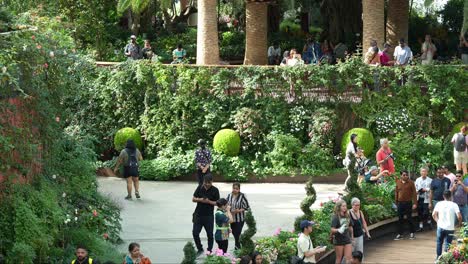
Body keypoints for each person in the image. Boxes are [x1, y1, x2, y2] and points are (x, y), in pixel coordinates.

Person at [192, 174, 220, 256]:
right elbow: (193, 199)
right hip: (198, 214)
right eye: (205, 182)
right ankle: (199, 248)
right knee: (195, 233)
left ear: (212, 182)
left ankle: (209, 250)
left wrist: (209, 202)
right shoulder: (200, 187)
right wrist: (200, 199)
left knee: (210, 234)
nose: (207, 184)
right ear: (203, 181)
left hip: (208, 216)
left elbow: (218, 203)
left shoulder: (215, 190)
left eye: (209, 183)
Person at [432, 190, 462, 259]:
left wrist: (438, 222)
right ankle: (446, 258)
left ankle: (438, 257)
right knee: (448, 244)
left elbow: (434, 214)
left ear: (443, 196)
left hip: (440, 227)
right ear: (451, 196)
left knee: (439, 242)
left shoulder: (439, 203)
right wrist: (459, 224)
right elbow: (459, 216)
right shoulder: (454, 205)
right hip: (450, 228)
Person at [394, 170, 417, 240]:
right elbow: (396, 193)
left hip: (408, 203)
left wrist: (415, 203)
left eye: (406, 175)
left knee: (409, 218)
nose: (405, 176)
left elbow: (414, 193)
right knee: (400, 219)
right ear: (401, 176)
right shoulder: (398, 182)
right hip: (400, 203)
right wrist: (396, 203)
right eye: (404, 175)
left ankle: (412, 233)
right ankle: (400, 234)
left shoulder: (411, 183)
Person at [226, 183, 250, 250]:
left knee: (237, 233)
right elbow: (226, 204)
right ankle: (238, 245)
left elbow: (247, 207)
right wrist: (228, 209)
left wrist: (238, 210)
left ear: (239, 189)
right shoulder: (229, 195)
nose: (235, 190)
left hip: (240, 219)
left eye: (237, 189)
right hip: (232, 218)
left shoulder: (242, 196)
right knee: (234, 232)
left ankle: (237, 247)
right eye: (234, 188)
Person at [330, 199, 354, 264]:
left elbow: (350, 226)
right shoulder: (335, 217)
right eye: (343, 206)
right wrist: (338, 230)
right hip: (338, 240)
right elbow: (332, 229)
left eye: (345, 206)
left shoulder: (347, 215)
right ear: (339, 207)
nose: (345, 207)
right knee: (339, 258)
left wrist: (352, 237)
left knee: (348, 258)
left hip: (347, 239)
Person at [415, 167, 433, 231]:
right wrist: (417, 191)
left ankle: (429, 221)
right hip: (419, 198)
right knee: (420, 212)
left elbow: (431, 189)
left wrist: (426, 189)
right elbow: (415, 188)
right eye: (422, 171)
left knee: (426, 212)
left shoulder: (430, 180)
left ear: (427, 172)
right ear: (420, 172)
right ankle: (421, 226)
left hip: (427, 198)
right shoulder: (417, 180)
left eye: (425, 171)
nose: (423, 173)